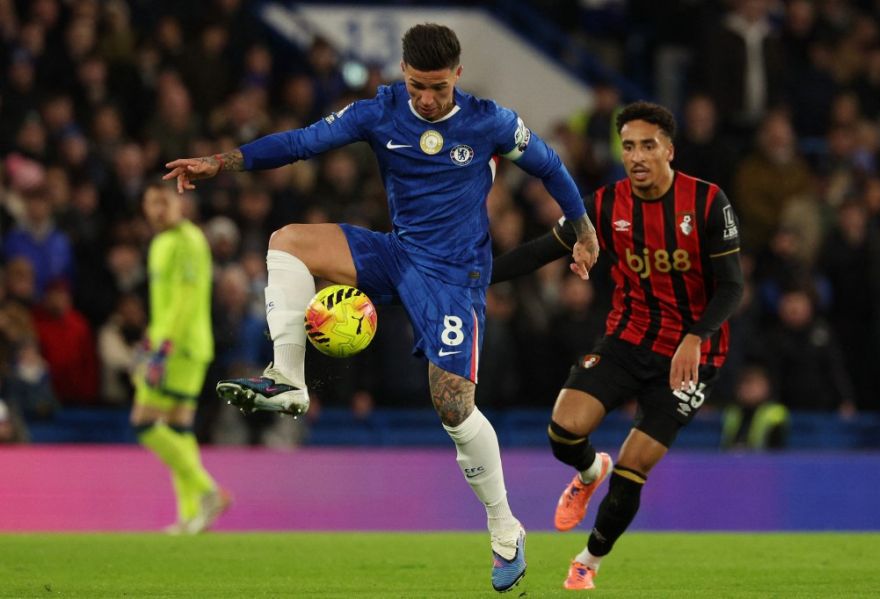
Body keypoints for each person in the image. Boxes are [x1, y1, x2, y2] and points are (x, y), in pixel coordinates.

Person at [162, 23, 598, 592]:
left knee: (452, 405)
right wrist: (222, 162)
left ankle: (504, 527)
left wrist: (584, 231)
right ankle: (289, 379)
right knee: (286, 241)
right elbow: (299, 143)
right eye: (417, 84)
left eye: (438, 87)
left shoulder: (488, 120)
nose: (426, 98)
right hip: (396, 253)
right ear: (403, 73)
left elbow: (550, 167)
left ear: (457, 76)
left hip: (453, 278)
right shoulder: (380, 111)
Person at [491, 101, 743, 590]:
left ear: (669, 149)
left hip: (691, 357)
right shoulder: (605, 206)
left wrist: (696, 336)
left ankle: (588, 560)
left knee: (634, 466)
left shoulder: (709, 203)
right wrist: (473, 278)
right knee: (563, 429)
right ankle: (589, 471)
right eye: (628, 146)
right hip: (627, 339)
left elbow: (733, 287)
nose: (638, 156)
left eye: (648, 145)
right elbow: (543, 249)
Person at [131, 183, 230, 535]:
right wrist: (149, 340)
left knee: (143, 423)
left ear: (180, 203)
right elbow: (164, 303)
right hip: (174, 345)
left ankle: (207, 491)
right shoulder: (160, 243)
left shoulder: (188, 240)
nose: (158, 210)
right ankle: (191, 515)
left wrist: (163, 348)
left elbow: (186, 299)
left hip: (180, 348)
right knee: (177, 428)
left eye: (165, 202)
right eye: (151, 202)